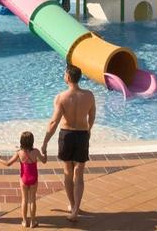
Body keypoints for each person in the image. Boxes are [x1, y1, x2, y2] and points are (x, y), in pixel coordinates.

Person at [41, 64, 95, 222]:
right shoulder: (89, 95)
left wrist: (45, 142)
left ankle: (72, 205)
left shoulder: (61, 97)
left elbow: (53, 122)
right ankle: (76, 209)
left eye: (65, 74)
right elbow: (92, 117)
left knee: (68, 172)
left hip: (67, 134)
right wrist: (88, 130)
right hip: (82, 134)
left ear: (68, 77)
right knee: (79, 173)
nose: (64, 75)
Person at [0, 131, 47, 227]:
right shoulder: (36, 151)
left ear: (21, 142)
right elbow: (44, 161)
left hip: (24, 179)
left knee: (24, 199)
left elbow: (8, 163)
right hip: (34, 178)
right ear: (32, 141)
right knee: (32, 200)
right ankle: (33, 222)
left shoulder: (19, 153)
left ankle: (24, 221)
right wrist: (45, 153)